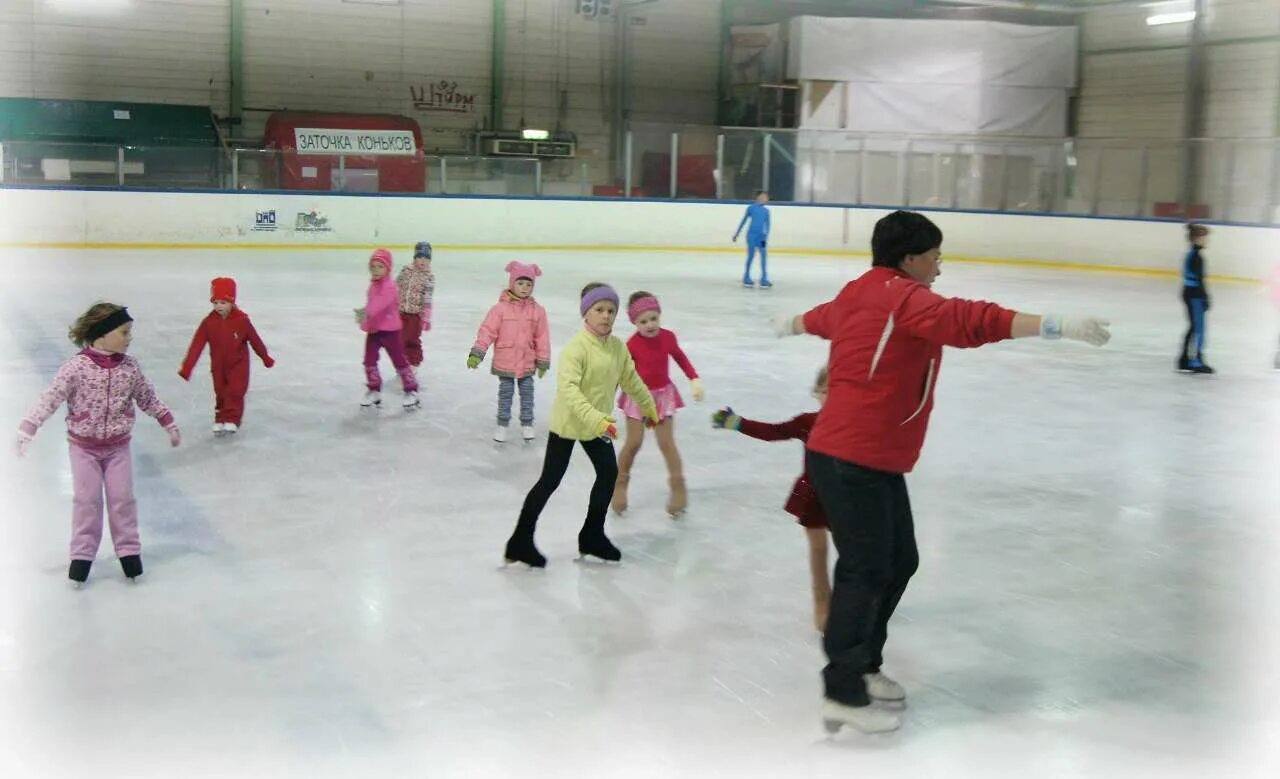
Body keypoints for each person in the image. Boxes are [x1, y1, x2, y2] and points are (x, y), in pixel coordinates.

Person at [773, 209, 1111, 734]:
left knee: (899, 560)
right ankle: (842, 689)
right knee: (865, 568)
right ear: (909, 259)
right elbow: (969, 320)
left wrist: (790, 323)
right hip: (851, 456)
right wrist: (1052, 325)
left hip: (869, 456)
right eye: (933, 256)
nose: (938, 267)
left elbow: (822, 317)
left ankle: (863, 665)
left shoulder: (860, 291)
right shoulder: (904, 299)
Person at [15, 303, 182, 586]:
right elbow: (51, 397)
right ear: (101, 334)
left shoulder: (130, 368)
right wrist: (29, 426)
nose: (129, 338)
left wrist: (166, 420)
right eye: (124, 332)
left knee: (122, 500)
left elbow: (147, 397)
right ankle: (82, 557)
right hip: (83, 448)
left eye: (130, 332)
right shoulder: (76, 368)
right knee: (86, 502)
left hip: (118, 448)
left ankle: (129, 553)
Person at [503, 283, 657, 568]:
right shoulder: (576, 349)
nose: (606, 316)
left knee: (608, 474)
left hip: (597, 426)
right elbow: (570, 392)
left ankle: (592, 536)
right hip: (570, 425)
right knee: (550, 481)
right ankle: (520, 541)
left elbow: (631, 380)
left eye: (611, 310)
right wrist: (598, 419)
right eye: (599, 310)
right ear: (586, 313)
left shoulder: (617, 348)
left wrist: (649, 405)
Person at [711, 365, 831, 631]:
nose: (829, 396)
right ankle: (822, 601)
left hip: (847, 498)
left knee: (852, 553)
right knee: (819, 551)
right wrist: (737, 423)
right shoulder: (807, 422)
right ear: (816, 393)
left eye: (836, 391)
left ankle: (853, 601)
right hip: (814, 495)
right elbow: (774, 432)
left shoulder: (856, 426)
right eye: (824, 391)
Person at [612, 291, 704, 517]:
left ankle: (678, 487)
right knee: (634, 442)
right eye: (643, 321)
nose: (650, 324)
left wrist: (694, 378)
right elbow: (620, 373)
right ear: (635, 322)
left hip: (663, 396)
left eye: (653, 318)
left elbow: (681, 358)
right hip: (637, 397)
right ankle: (620, 484)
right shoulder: (632, 344)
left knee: (667, 444)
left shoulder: (668, 337)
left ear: (659, 315)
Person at [178, 277, 274, 436]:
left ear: (232, 302)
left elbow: (255, 340)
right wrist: (187, 367)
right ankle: (220, 417)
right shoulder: (208, 323)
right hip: (218, 366)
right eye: (215, 302)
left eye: (223, 302)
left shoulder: (242, 321)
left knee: (235, 391)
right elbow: (197, 345)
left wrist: (265, 358)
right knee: (221, 393)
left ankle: (232, 419)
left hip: (238, 365)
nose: (218, 306)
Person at [467, 261, 552, 442]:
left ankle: (527, 424)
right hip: (506, 359)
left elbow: (542, 337)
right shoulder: (499, 309)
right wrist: (478, 352)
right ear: (512, 283)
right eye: (520, 283)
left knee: (527, 392)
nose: (524, 288)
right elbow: (487, 331)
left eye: (529, 284)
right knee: (506, 392)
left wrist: (543, 360)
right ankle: (502, 424)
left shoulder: (538, 311)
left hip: (527, 360)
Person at [356, 248, 420, 409]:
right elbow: (371, 306)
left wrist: (364, 315)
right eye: (373, 267)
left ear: (388, 268)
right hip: (374, 331)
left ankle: (411, 391)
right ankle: (374, 389)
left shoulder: (391, 287)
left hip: (391, 332)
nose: (376, 270)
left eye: (380, 267)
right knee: (369, 361)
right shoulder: (373, 286)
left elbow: (377, 306)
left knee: (399, 361)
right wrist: (367, 324)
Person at [1178, 223, 1213, 374]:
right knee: (1199, 329)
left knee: (1193, 328)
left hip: (1190, 294)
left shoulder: (1192, 254)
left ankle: (1184, 359)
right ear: (1197, 239)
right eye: (1205, 238)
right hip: (1195, 296)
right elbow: (1198, 280)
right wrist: (1205, 297)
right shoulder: (1196, 257)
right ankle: (1196, 361)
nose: (1207, 241)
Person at [396, 241, 435, 373]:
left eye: (426, 258)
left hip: (415, 315)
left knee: (412, 339)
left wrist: (426, 318)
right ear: (414, 258)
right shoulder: (406, 270)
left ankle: (413, 362)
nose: (423, 261)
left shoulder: (429, 277)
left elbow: (428, 300)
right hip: (401, 312)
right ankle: (402, 361)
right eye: (420, 257)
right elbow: (397, 286)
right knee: (399, 338)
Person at [733, 190, 772, 288]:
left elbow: (768, 225)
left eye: (766, 197)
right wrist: (736, 234)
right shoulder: (751, 208)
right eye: (763, 197)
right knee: (751, 255)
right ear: (758, 197)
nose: (765, 199)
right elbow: (743, 221)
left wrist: (765, 237)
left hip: (761, 238)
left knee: (764, 255)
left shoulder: (767, 211)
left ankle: (764, 279)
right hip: (751, 236)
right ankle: (746, 277)